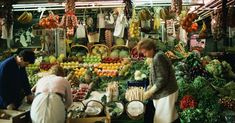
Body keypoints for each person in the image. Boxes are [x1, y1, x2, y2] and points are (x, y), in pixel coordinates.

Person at [137, 38, 179, 123]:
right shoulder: (157, 55)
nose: (144, 55)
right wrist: (150, 87)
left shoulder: (158, 57)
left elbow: (162, 79)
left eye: (145, 52)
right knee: (169, 118)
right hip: (167, 91)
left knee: (163, 119)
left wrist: (150, 92)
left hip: (167, 93)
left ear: (151, 49)